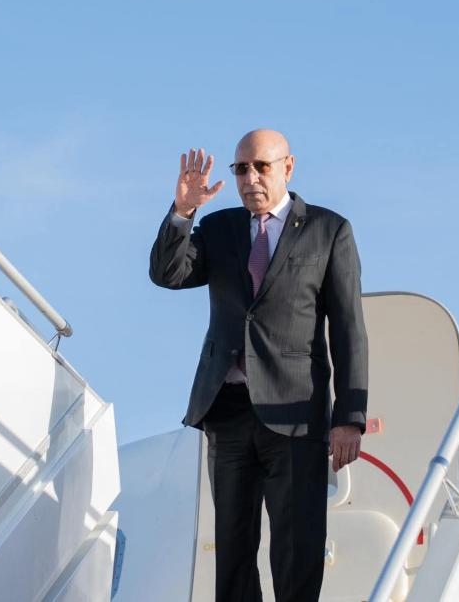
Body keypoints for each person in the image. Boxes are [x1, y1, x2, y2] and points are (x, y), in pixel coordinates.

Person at [149, 129, 368, 602]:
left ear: (288, 167)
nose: (250, 178)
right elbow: (168, 274)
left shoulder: (329, 230)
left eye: (261, 167)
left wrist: (348, 417)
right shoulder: (220, 228)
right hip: (227, 411)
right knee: (231, 552)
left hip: (295, 414)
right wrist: (183, 211)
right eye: (241, 169)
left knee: (296, 549)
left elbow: (349, 329)